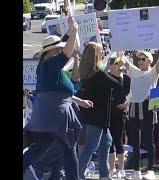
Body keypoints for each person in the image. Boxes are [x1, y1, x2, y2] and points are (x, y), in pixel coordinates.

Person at [23, 17, 93, 180]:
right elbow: (66, 52)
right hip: (57, 116)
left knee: (40, 148)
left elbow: (60, 93)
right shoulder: (52, 64)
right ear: (51, 52)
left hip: (45, 116)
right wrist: (74, 32)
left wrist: (79, 101)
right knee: (69, 149)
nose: (60, 51)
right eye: (57, 49)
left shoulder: (45, 66)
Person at [117, 31, 159, 180]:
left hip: (147, 106)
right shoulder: (134, 72)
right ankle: (136, 170)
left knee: (148, 139)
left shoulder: (153, 73)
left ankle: (150, 170)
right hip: (134, 107)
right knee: (135, 140)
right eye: (139, 59)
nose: (140, 61)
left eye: (143, 59)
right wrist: (118, 42)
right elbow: (123, 57)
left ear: (149, 61)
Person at [77, 42, 121, 180]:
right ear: (96, 55)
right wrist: (116, 72)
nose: (103, 53)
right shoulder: (100, 75)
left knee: (106, 141)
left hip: (92, 116)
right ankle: (77, 175)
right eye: (101, 51)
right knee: (90, 147)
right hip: (97, 117)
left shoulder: (87, 74)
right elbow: (118, 84)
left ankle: (104, 174)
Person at [108, 56, 131, 179]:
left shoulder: (125, 78)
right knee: (109, 141)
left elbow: (130, 93)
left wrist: (127, 102)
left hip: (120, 113)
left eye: (117, 63)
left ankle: (120, 169)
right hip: (108, 112)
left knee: (119, 140)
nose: (115, 66)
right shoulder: (107, 77)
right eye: (113, 63)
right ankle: (111, 168)